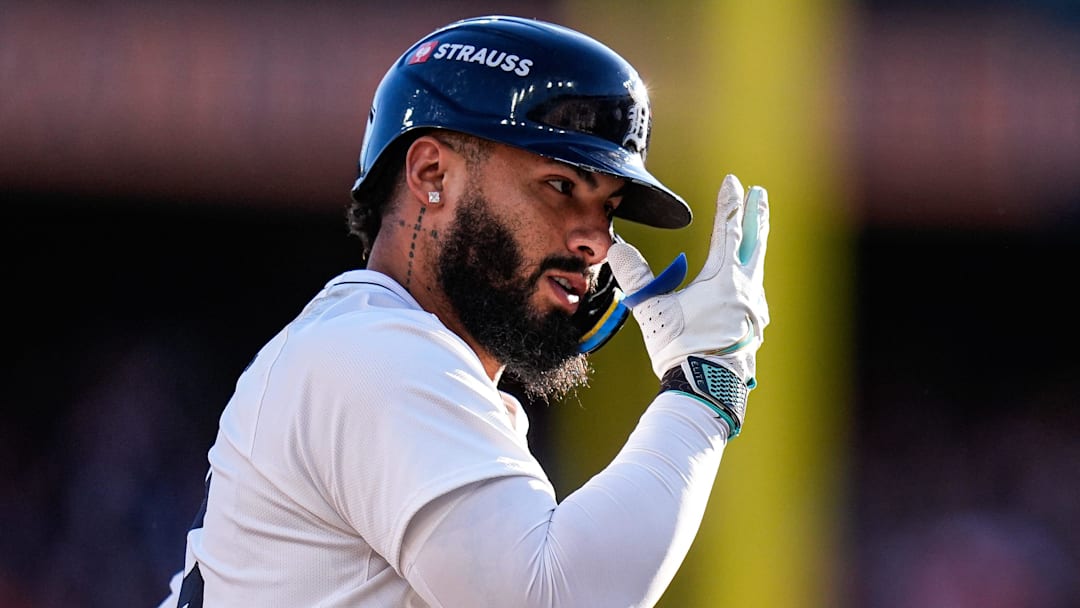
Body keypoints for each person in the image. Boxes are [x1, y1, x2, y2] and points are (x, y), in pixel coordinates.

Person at [158, 14, 769, 608]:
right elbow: (558, 596)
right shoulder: (372, 352)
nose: (596, 241)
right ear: (431, 172)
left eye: (607, 207)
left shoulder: (373, 355)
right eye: (560, 186)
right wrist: (705, 390)